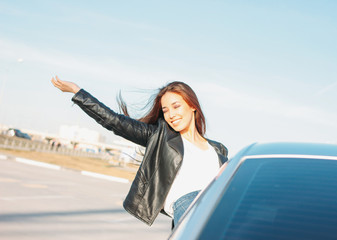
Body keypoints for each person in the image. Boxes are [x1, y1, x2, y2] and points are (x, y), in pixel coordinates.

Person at [51, 76, 228, 227]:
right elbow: (114, 121)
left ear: (192, 105)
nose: (171, 114)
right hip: (187, 205)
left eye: (176, 106)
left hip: (217, 209)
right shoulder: (160, 137)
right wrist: (77, 92)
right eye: (165, 110)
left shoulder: (218, 150)